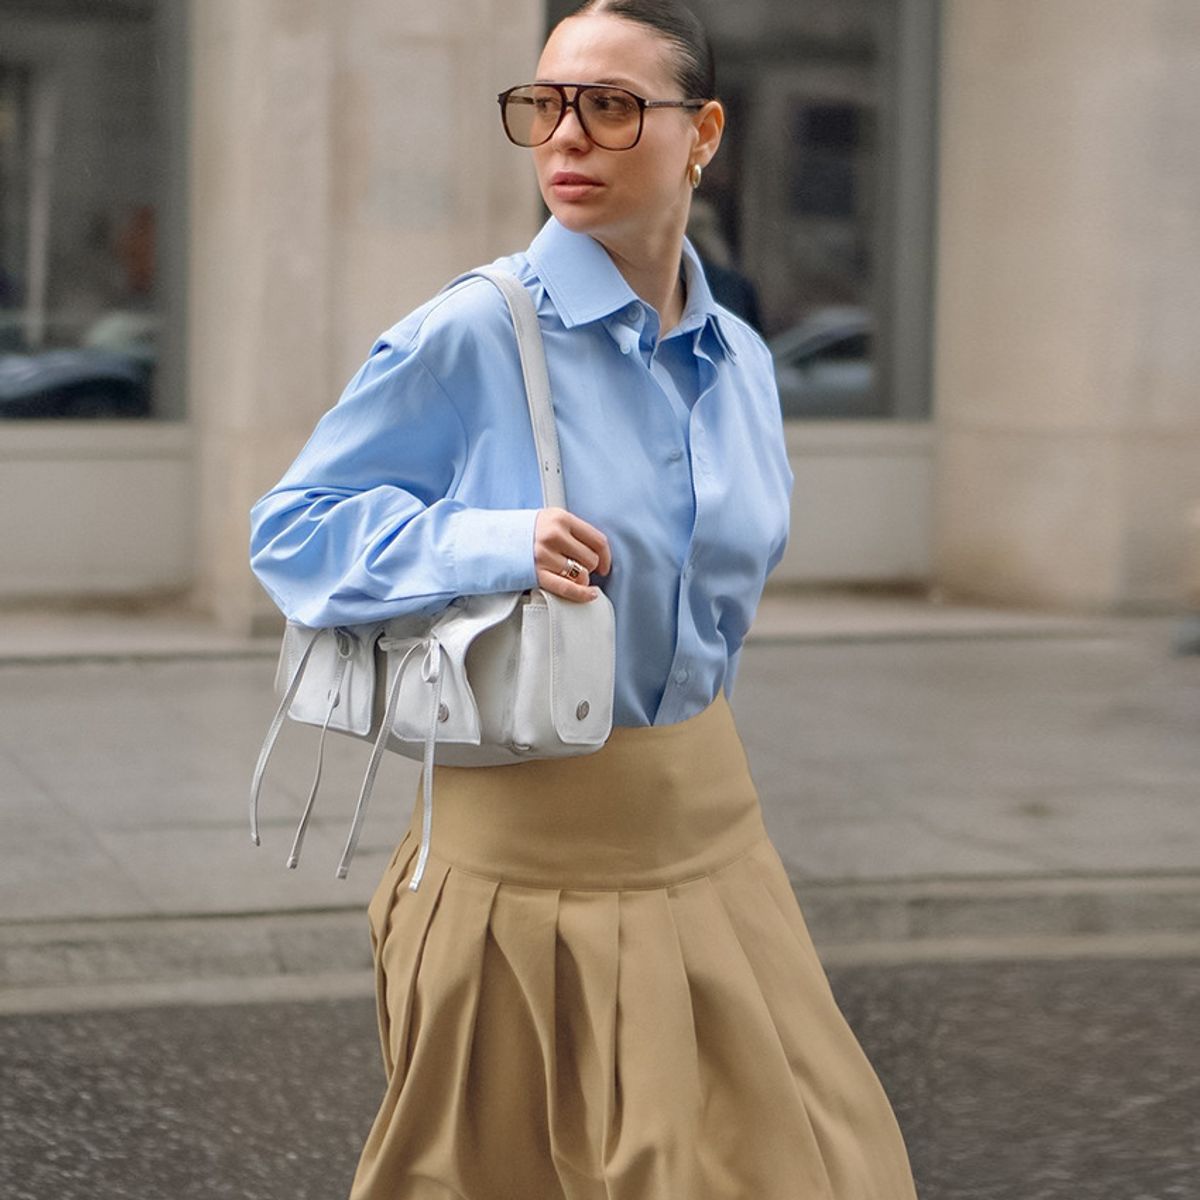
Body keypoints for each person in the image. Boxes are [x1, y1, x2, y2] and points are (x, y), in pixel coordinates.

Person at [249, 2, 919, 1196]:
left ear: (701, 132)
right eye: (545, 104)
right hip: (521, 881)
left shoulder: (744, 361)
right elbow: (290, 532)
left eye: (611, 106)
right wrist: (491, 541)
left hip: (719, 855)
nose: (567, 136)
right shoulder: (475, 331)